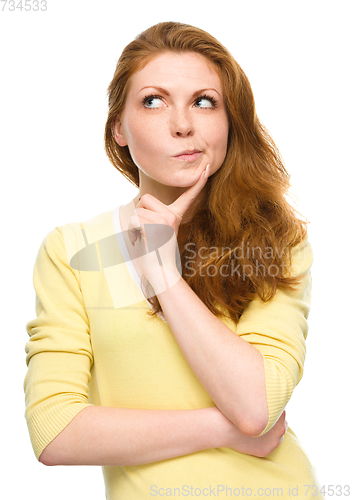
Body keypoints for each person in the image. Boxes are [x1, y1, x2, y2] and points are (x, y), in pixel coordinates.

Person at [24, 21, 324, 500]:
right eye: (154, 100)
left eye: (204, 101)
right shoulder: (75, 250)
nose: (183, 123)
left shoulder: (275, 240)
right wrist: (220, 431)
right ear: (118, 128)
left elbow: (255, 406)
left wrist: (163, 272)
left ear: (230, 123)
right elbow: (54, 430)